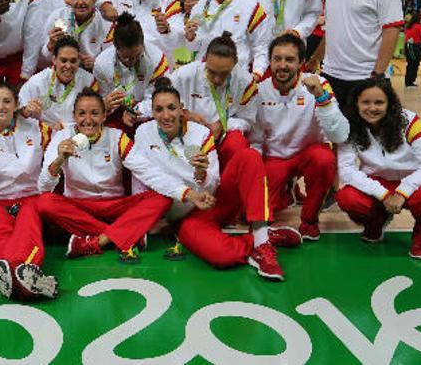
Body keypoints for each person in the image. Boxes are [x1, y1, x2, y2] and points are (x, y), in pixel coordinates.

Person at [0, 89, 172, 298]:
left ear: (104, 115)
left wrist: (187, 193)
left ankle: (96, 242)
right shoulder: (62, 136)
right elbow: (44, 187)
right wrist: (60, 159)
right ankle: (124, 236)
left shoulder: (117, 137)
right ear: (74, 116)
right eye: (82, 114)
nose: (88, 120)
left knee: (162, 198)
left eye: (95, 113)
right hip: (77, 208)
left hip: (114, 206)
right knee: (43, 202)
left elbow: (147, 171)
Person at [125, 80, 302, 281]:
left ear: (181, 109)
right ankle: (262, 239)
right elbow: (142, 178)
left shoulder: (201, 133)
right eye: (159, 110)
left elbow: (213, 182)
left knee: (249, 156)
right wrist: (141, 222)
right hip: (186, 217)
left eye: (171, 108)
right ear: (153, 113)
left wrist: (202, 175)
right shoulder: (143, 133)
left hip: (213, 202)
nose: (166, 115)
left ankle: (262, 242)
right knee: (223, 256)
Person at [336, 77, 421, 260]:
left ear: (389, 104)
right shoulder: (350, 126)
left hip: (416, 184)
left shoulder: (409, 121)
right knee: (348, 198)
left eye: (379, 102)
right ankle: (376, 222)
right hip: (380, 184)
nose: (372, 108)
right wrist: (383, 194)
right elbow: (346, 169)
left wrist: (404, 191)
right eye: (365, 102)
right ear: (356, 104)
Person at [248, 34, 350, 240]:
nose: (282, 65)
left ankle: (310, 220)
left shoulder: (318, 85)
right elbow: (256, 139)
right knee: (258, 216)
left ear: (302, 63)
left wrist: (321, 97)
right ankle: (286, 192)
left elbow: (340, 134)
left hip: (308, 155)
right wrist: (257, 177)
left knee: (324, 159)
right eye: (277, 59)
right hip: (274, 159)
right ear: (270, 61)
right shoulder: (259, 91)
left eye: (289, 59)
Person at [0, 82, 54, 299]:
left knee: (27, 224)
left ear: (17, 104)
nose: (1, 106)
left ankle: (21, 269)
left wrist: (37, 111)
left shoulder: (37, 128)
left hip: (30, 198)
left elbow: (64, 130)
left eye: (7, 101)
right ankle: (16, 274)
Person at [169, 34, 258, 170]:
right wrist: (184, 114)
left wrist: (224, 125)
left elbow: (248, 120)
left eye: (224, 74)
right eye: (212, 72)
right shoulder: (184, 75)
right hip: (188, 134)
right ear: (205, 60)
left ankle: (229, 184)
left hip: (223, 138)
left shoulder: (245, 82)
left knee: (237, 143)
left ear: (235, 64)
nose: (217, 79)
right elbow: (161, 101)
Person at [185, 0, 272, 80]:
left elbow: (261, 46)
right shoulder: (201, 6)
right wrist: (190, 38)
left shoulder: (251, 7)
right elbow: (193, 47)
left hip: (236, 77)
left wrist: (257, 74)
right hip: (205, 77)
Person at [93, 12, 170, 132]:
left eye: (137, 56)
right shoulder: (101, 64)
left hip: (149, 111)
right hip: (118, 112)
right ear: (115, 47)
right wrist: (105, 105)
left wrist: (136, 112)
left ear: (143, 44)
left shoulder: (157, 59)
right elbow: (104, 99)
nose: (132, 61)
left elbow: (160, 98)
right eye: (127, 58)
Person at [19, 37, 98, 129]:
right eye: (63, 60)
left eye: (73, 61)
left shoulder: (89, 82)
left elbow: (94, 116)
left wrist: (65, 127)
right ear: (54, 60)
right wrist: (25, 111)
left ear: (78, 61)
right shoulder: (37, 82)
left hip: (76, 133)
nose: (68, 66)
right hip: (44, 134)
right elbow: (19, 111)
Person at [38, 0, 112, 72]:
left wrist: (96, 63)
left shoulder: (105, 24)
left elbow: (110, 60)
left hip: (90, 74)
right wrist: (51, 45)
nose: (80, 2)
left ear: (94, 0)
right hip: (61, 71)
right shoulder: (58, 17)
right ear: (70, 0)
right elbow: (44, 57)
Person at [402, 11, 421, 88]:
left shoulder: (408, 27)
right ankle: (410, 82)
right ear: (418, 18)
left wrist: (404, 49)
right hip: (415, 47)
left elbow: (405, 39)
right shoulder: (420, 27)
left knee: (410, 64)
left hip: (408, 46)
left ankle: (408, 82)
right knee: (414, 64)